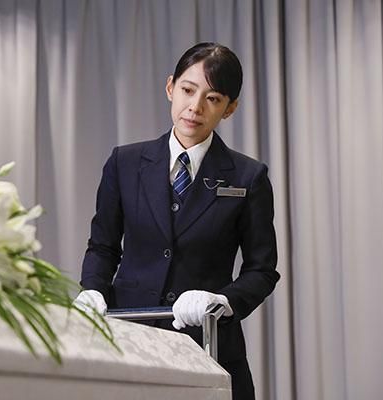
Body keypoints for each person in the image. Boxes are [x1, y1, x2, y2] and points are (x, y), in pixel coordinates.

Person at [74, 42, 280, 400]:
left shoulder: (249, 176)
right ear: (170, 87)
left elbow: (262, 271)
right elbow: (103, 247)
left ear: (230, 108)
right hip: (130, 339)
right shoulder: (125, 163)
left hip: (208, 346)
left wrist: (222, 301)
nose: (195, 107)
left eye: (213, 98)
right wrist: (93, 289)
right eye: (187, 90)